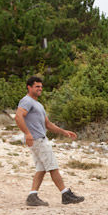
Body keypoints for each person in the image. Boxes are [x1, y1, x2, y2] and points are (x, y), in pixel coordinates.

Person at [15, 76, 85, 207]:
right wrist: (27, 133)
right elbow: (18, 117)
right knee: (52, 166)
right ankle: (66, 194)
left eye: (41, 87)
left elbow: (47, 124)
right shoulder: (26, 101)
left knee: (41, 169)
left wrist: (64, 132)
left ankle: (32, 196)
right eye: (37, 87)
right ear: (29, 87)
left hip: (38, 139)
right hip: (38, 140)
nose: (40, 89)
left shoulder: (38, 104)